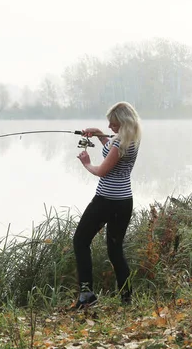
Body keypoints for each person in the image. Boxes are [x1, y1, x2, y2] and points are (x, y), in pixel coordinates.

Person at [73, 101, 142, 309]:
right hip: (124, 203)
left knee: (80, 241)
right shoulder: (131, 140)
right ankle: (126, 298)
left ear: (122, 122)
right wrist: (100, 134)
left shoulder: (118, 142)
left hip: (105, 201)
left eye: (113, 124)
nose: (110, 127)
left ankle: (87, 295)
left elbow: (102, 170)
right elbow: (112, 154)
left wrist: (86, 163)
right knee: (115, 250)